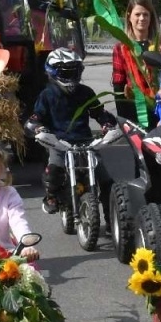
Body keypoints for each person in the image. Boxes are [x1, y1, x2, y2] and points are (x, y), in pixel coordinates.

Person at [27, 48, 116, 214]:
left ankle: (112, 220)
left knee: (106, 179)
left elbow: (99, 113)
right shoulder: (47, 95)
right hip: (59, 143)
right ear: (52, 72)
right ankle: (51, 196)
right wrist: (38, 127)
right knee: (55, 170)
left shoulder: (86, 92)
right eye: (66, 73)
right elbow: (35, 118)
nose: (71, 77)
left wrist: (107, 124)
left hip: (86, 142)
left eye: (74, 72)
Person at [110, 0, 161, 122]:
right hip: (135, 109)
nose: (142, 18)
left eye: (146, 14)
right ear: (129, 16)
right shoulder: (121, 47)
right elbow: (118, 85)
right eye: (137, 14)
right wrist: (124, 120)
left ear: (151, 17)